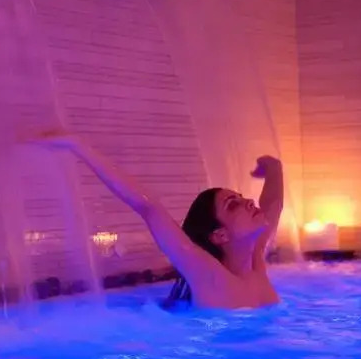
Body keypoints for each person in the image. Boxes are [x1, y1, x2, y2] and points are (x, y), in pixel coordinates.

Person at [30, 131, 284, 310]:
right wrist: (77, 146)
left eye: (241, 197)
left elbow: (273, 206)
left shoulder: (255, 261)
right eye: (233, 204)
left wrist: (273, 167)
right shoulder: (209, 275)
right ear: (220, 235)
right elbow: (148, 206)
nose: (249, 201)